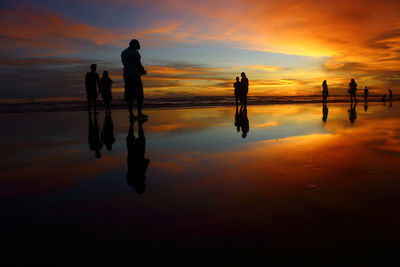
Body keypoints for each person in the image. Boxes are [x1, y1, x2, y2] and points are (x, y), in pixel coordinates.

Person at [121, 39, 147, 121]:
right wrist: (143, 71)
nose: (139, 45)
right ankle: (139, 112)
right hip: (135, 76)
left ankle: (131, 114)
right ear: (134, 44)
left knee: (129, 96)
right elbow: (138, 64)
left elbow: (125, 64)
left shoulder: (123, 52)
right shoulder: (135, 52)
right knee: (139, 95)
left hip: (127, 76)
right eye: (138, 44)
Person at [126, 119, 150, 194]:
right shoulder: (131, 182)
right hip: (133, 158)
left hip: (136, 158)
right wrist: (146, 163)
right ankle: (134, 124)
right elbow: (142, 170)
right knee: (133, 139)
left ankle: (137, 124)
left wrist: (146, 163)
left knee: (138, 139)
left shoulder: (135, 181)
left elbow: (142, 170)